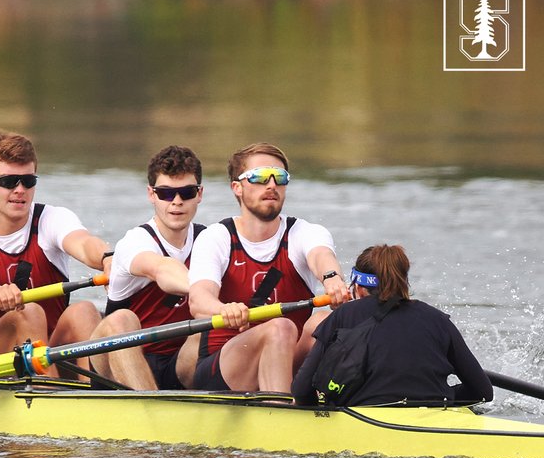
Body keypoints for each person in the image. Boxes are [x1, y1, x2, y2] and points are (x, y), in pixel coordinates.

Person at [0, 129, 111, 375]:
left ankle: (97, 394)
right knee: (27, 310)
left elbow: (84, 244)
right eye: (8, 182)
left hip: (51, 349)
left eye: (28, 181)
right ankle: (48, 395)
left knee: (84, 310)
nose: (20, 189)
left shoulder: (52, 218)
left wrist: (107, 258)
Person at [187, 142, 350, 393]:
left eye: (280, 178)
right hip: (226, 368)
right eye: (261, 177)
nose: (271, 185)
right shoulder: (215, 237)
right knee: (280, 326)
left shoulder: (304, 232)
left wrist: (332, 280)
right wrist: (223, 309)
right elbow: (199, 300)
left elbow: (321, 256)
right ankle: (279, 410)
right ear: (237, 187)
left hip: (289, 360)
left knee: (325, 319)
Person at [292, 245, 493, 405]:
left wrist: (321, 406)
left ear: (359, 288)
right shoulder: (438, 319)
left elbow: (301, 391)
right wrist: (445, 396)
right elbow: (482, 392)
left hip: (367, 421)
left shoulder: (344, 315)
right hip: (436, 412)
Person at [88, 145, 205, 390]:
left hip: (179, 363)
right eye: (165, 193)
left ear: (199, 194)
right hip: (119, 364)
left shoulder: (211, 240)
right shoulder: (136, 241)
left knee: (208, 326)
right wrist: (204, 290)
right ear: (151, 194)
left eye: (186, 192)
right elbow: (161, 269)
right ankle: (149, 410)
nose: (176, 202)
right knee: (121, 319)